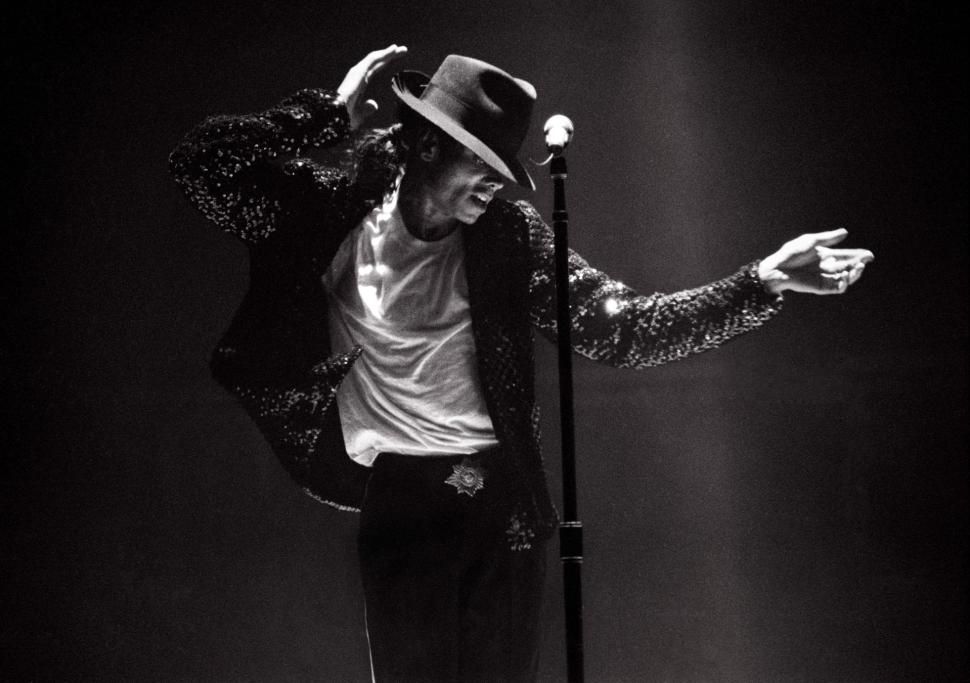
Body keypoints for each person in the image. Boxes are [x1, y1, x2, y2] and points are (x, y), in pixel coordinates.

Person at [169, 45, 873, 682]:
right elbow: (201, 163)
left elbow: (625, 329)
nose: (494, 185)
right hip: (395, 492)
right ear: (426, 144)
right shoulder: (332, 212)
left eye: (502, 171)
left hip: (495, 499)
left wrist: (760, 283)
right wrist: (322, 115)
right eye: (480, 162)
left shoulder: (507, 238)